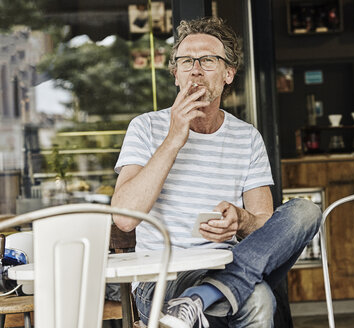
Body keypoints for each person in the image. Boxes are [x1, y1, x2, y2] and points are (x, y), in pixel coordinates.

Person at [112, 16, 321, 328]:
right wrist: (173, 139)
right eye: (186, 61)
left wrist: (242, 220)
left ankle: (203, 296)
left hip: (226, 265)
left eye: (208, 60)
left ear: (228, 74)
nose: (195, 69)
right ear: (176, 75)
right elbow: (125, 218)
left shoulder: (247, 137)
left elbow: (263, 223)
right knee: (260, 297)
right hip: (161, 280)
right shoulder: (146, 127)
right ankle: (206, 296)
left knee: (306, 211)